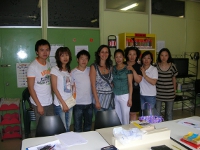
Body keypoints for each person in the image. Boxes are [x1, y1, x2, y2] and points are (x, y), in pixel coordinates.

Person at [27, 39, 54, 125]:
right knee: (42, 127)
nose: (45, 52)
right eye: (42, 50)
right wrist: (38, 105)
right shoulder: (33, 66)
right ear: (37, 52)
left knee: (51, 126)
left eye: (47, 50)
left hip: (49, 101)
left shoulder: (49, 64)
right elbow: (30, 88)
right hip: (39, 102)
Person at [50, 47, 73, 131]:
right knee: (62, 128)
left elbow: (71, 86)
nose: (65, 57)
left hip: (69, 102)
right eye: (62, 55)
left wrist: (72, 100)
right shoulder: (54, 70)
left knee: (68, 126)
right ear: (58, 57)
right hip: (60, 103)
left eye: (67, 55)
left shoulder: (69, 70)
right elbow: (54, 88)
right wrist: (63, 103)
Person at [71, 50, 93, 132]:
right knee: (77, 127)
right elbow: (71, 88)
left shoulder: (90, 70)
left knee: (88, 126)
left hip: (89, 103)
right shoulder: (73, 72)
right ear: (77, 59)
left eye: (86, 59)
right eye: (82, 58)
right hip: (78, 104)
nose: (84, 61)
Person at [90, 45, 113, 113]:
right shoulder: (94, 67)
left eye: (106, 52)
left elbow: (111, 81)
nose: (104, 54)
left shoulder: (110, 66)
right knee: (101, 122)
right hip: (99, 99)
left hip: (110, 100)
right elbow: (93, 86)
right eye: (102, 52)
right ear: (99, 53)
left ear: (109, 54)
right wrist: (97, 101)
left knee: (110, 122)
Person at [156, 48, 178, 121]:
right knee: (157, 113)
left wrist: (175, 91)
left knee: (169, 113)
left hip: (170, 93)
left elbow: (174, 79)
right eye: (162, 55)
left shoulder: (172, 66)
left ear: (168, 56)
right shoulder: (156, 66)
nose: (164, 57)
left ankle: (169, 129)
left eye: (166, 55)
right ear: (159, 56)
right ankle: (158, 129)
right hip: (158, 93)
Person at [112, 49, 133, 125]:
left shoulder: (127, 68)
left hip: (125, 95)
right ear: (114, 58)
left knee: (125, 117)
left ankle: (126, 133)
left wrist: (130, 99)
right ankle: (120, 134)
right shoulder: (113, 68)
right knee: (117, 117)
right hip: (115, 95)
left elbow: (130, 84)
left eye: (120, 57)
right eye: (116, 57)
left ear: (123, 58)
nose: (118, 59)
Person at [124, 47, 142, 121]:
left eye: (134, 54)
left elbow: (138, 80)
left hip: (135, 93)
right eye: (130, 54)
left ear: (136, 55)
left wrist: (132, 69)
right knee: (124, 113)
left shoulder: (139, 66)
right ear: (127, 55)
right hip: (124, 91)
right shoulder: (123, 64)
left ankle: (132, 129)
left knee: (133, 113)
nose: (132, 56)